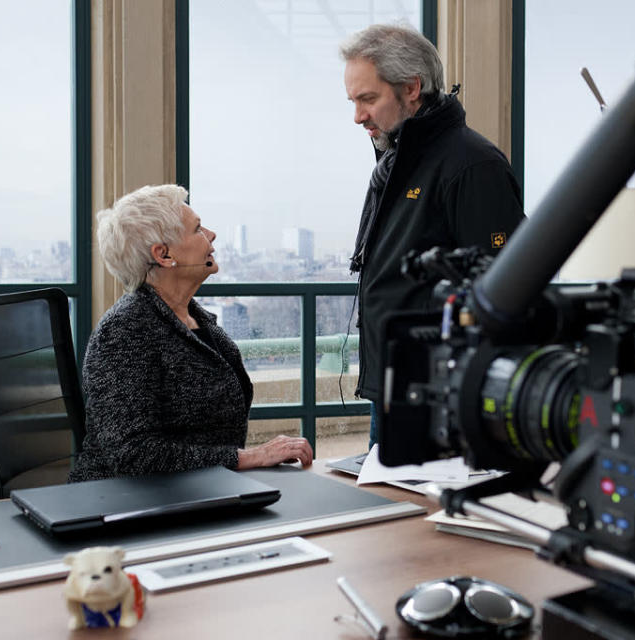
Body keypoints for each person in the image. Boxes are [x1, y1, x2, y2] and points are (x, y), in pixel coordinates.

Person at [341, 24, 526, 448]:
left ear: (412, 88)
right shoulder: (395, 163)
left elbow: (503, 289)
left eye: (368, 99)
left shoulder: (473, 165)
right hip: (394, 386)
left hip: (441, 396)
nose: (357, 116)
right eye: (353, 101)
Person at [69, 184, 313, 482]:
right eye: (197, 229)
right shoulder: (124, 331)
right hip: (128, 508)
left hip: (201, 492)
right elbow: (133, 454)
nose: (210, 234)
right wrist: (247, 458)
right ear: (163, 255)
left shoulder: (198, 320)